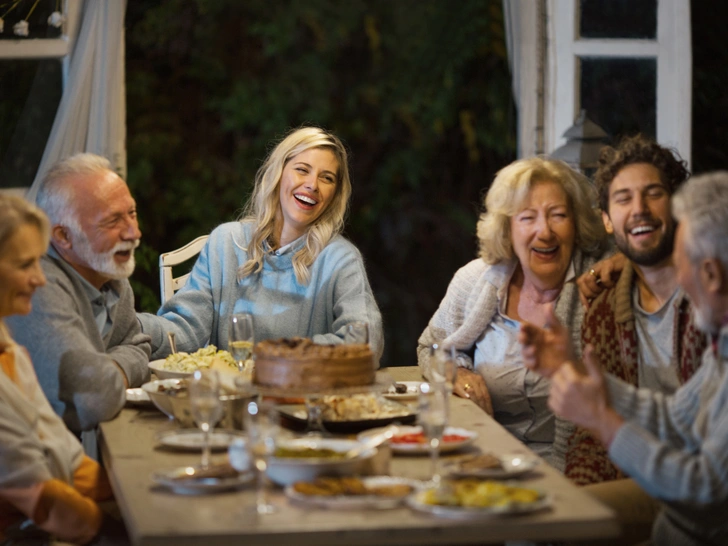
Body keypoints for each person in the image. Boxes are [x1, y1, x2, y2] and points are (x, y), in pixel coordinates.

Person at [521, 172, 728, 546]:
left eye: (681, 264)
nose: (678, 278)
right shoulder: (722, 346)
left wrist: (603, 421)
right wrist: (580, 372)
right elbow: (676, 418)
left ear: (712, 275)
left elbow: (703, 491)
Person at [417, 157, 607, 470]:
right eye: (527, 217)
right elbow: (430, 348)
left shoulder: (601, 283)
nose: (544, 231)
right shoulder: (475, 279)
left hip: (575, 467)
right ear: (508, 228)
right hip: (485, 458)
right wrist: (457, 372)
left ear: (577, 224)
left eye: (558, 215)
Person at [138, 127, 384, 363]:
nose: (313, 185)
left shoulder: (340, 258)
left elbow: (367, 341)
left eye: (326, 178)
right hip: (232, 399)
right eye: (302, 169)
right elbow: (185, 330)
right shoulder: (225, 243)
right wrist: (131, 325)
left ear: (334, 195)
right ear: (278, 173)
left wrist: (286, 356)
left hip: (301, 400)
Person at [568, 135, 707, 486]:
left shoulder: (714, 296)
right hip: (632, 480)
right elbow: (592, 437)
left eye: (653, 193)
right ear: (607, 220)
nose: (639, 208)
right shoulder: (602, 313)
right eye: (623, 198)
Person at [6, 154, 151, 446]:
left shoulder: (111, 277)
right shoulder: (37, 286)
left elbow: (140, 346)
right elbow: (94, 397)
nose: (134, 233)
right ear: (63, 236)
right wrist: (119, 369)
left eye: (131, 213)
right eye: (112, 221)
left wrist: (109, 367)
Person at [0, 194, 113, 545]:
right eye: (24, 265)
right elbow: (40, 496)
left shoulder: (10, 352)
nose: (40, 279)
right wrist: (123, 530)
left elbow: (64, 455)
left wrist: (140, 492)